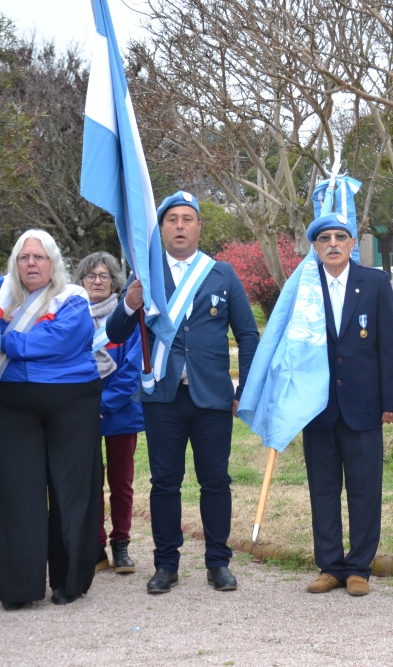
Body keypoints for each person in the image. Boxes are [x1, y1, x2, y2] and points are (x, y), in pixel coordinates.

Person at [107, 191, 259, 594]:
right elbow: (115, 333)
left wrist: (244, 387)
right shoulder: (146, 274)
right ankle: (166, 564)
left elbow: (246, 334)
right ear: (161, 229)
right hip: (163, 397)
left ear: (198, 227)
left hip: (211, 397)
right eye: (171, 219)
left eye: (187, 219)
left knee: (215, 481)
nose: (179, 225)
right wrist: (127, 304)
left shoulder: (221, 273)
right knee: (165, 483)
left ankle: (217, 562)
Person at [0, 229, 102, 609]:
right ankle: (19, 588)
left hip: (72, 403)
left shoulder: (72, 297)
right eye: (24, 257)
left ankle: (69, 581)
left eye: (39, 257)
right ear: (15, 262)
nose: (31, 263)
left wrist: (5, 340)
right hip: (16, 405)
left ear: (53, 263)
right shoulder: (0, 293)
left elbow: (59, 340)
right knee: (17, 495)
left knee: (70, 493)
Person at [300, 212, 393, 598]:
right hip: (318, 407)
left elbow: (390, 346)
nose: (332, 243)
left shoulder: (374, 283)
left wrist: (392, 400)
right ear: (314, 246)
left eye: (340, 237)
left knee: (364, 489)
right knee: (323, 490)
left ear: (351, 244)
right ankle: (329, 566)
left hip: (363, 406)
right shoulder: (304, 287)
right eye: (324, 237)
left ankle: (359, 566)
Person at [73, 252, 143, 574]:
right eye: (91, 276)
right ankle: (96, 545)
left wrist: (103, 405)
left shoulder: (128, 317)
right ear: (81, 281)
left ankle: (122, 545)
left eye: (103, 276)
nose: (97, 281)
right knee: (89, 482)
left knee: (121, 482)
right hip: (81, 411)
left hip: (120, 411)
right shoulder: (72, 317)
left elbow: (132, 368)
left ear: (114, 282)